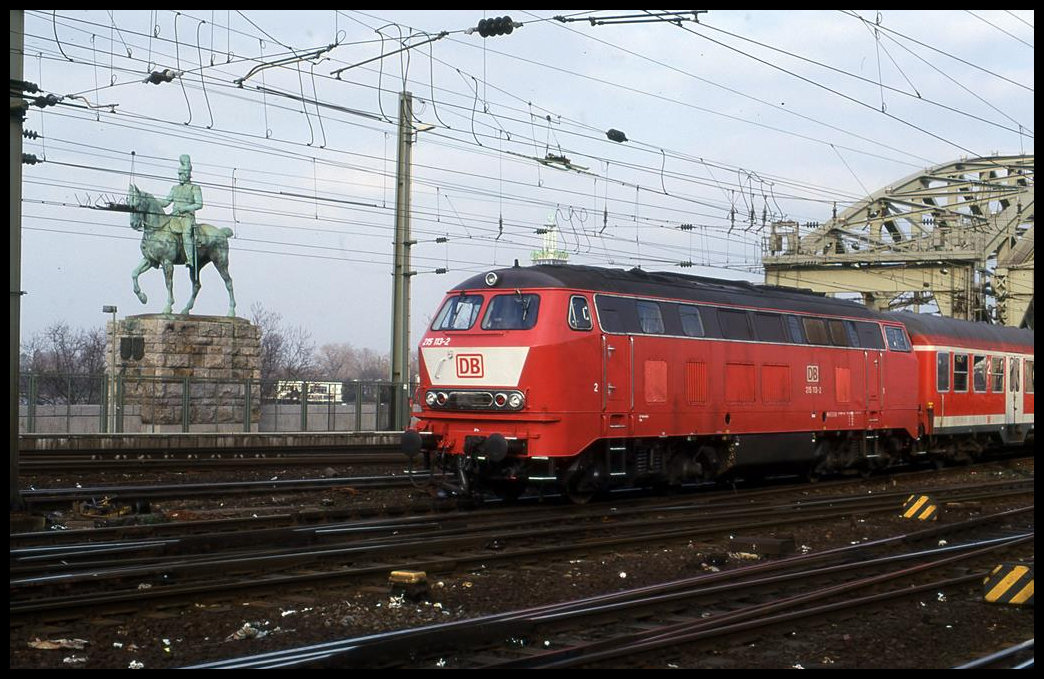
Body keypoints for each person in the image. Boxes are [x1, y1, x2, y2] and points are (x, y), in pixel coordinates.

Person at [158, 154, 203, 276]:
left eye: (182, 174)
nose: (180, 177)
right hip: (174, 216)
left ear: (188, 175)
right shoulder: (175, 188)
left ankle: (189, 258)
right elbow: (166, 202)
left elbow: (199, 204)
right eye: (179, 174)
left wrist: (185, 208)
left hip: (187, 217)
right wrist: (153, 200)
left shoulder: (194, 188)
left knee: (186, 234)